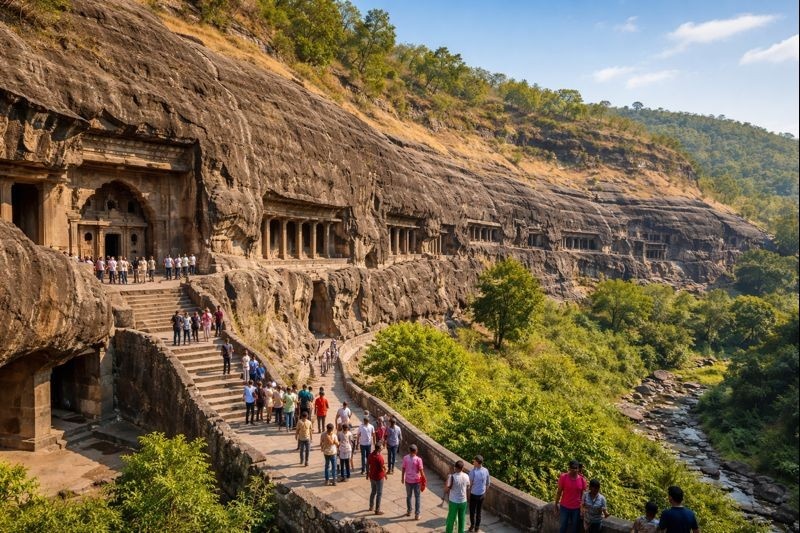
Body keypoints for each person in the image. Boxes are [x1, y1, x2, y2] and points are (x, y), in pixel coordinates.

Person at [554, 460, 588, 533]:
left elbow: (584, 496)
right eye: (572, 468)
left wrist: (583, 508)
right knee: (563, 526)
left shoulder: (582, 480)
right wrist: (556, 503)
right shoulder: (563, 477)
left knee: (575, 528)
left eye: (575, 468)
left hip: (577, 508)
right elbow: (559, 492)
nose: (574, 470)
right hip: (564, 507)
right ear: (569, 468)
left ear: (578, 469)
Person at [445, 459, 471, 533]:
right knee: (462, 519)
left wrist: (447, 479)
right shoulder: (466, 476)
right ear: (462, 468)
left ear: (455, 467)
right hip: (463, 501)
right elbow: (468, 487)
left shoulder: (452, 477)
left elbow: (446, 489)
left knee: (451, 518)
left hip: (453, 501)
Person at [401, 444, 424, 520]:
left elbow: (403, 468)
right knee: (417, 497)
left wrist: (402, 478)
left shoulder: (405, 458)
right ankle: (417, 514)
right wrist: (424, 478)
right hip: (416, 481)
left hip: (408, 480)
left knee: (408, 496)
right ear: (416, 451)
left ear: (409, 450)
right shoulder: (418, 459)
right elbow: (421, 470)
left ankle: (409, 511)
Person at [468, 454, 490, 532]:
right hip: (482, 495)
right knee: (479, 512)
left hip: (474, 495)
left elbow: (469, 485)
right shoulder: (486, 470)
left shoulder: (472, 472)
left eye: (474, 461)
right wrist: (484, 493)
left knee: (472, 511)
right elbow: (488, 483)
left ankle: (472, 526)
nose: (473, 462)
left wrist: (468, 495)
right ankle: (477, 528)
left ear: (477, 462)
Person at [367, 442, 387, 515]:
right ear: (379, 449)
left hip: (372, 476)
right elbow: (382, 468)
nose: (382, 447)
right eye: (381, 447)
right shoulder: (380, 458)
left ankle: (371, 506)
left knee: (373, 492)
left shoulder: (371, 455)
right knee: (379, 493)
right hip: (379, 477)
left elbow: (367, 464)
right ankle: (377, 510)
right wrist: (385, 472)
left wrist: (367, 474)